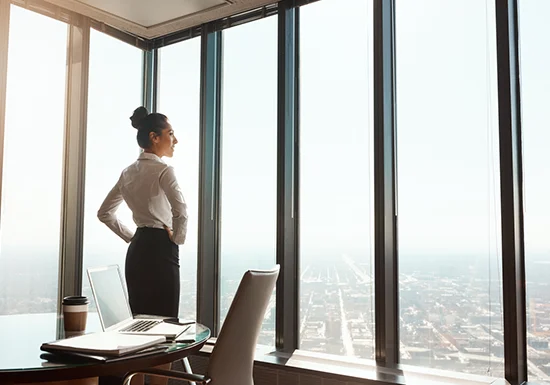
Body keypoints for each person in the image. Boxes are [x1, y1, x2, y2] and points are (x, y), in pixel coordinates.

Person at [97, 106, 188, 320]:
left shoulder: (128, 172)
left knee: (140, 322)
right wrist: (177, 239)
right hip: (161, 249)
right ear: (154, 137)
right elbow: (181, 210)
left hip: (137, 251)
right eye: (171, 134)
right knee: (166, 322)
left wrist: (132, 237)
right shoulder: (165, 171)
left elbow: (104, 213)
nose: (175, 140)